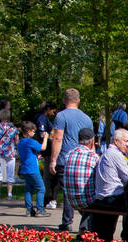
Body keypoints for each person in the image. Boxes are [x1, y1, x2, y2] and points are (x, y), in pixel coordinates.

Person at [49, 88, 94, 232]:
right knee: (82, 189)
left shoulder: (61, 116)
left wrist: (53, 160)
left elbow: (57, 138)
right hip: (84, 158)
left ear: (64, 100)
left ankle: (67, 221)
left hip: (66, 158)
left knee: (68, 190)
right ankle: (86, 219)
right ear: (78, 100)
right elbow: (91, 140)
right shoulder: (87, 118)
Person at [90, 127, 128, 241]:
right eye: (126, 141)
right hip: (110, 198)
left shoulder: (107, 153)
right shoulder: (116, 155)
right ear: (116, 141)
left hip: (103, 197)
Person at [61, 127, 102, 229]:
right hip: (86, 200)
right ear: (92, 141)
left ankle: (84, 229)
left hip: (70, 199)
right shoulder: (93, 157)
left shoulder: (69, 154)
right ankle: (84, 231)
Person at [17, 121, 46, 216]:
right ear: (29, 131)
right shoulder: (30, 141)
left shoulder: (20, 142)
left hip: (25, 169)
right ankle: (40, 210)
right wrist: (45, 138)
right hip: (33, 169)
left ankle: (29, 210)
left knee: (29, 189)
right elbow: (42, 148)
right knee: (41, 188)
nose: (34, 133)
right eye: (33, 131)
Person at [0, 108, 19, 199]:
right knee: (10, 173)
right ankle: (9, 194)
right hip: (9, 152)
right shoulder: (13, 128)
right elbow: (16, 141)